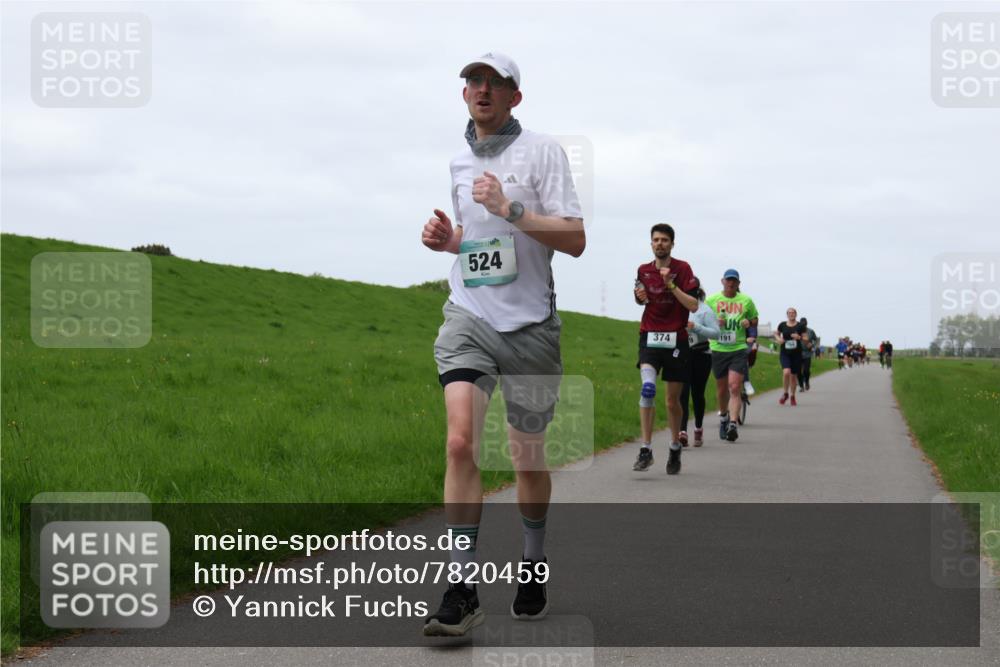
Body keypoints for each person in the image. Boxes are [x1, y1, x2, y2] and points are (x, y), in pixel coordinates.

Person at [421, 52, 586, 636]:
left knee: (526, 460)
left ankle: (533, 565)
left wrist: (510, 208)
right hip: (469, 315)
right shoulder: (458, 160)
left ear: (515, 97)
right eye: (474, 80)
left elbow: (575, 239)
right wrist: (450, 241)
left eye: (495, 82)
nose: (482, 88)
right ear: (464, 93)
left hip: (531, 330)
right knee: (460, 441)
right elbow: (477, 242)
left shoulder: (543, 152)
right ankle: (461, 588)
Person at [632, 224, 699, 472]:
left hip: (676, 339)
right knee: (647, 389)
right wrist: (639, 297)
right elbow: (640, 296)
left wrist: (671, 285)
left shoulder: (683, 269)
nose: (660, 243)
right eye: (656, 240)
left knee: (672, 402)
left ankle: (674, 446)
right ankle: (646, 449)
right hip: (649, 335)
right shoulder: (643, 270)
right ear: (651, 243)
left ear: (672, 244)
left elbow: (693, 305)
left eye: (664, 240)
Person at [706, 269, 759, 442]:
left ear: (738, 283)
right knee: (722, 390)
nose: (731, 283)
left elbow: (755, 319)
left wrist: (748, 322)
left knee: (735, 387)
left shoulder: (746, 300)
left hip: (738, 348)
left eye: (734, 281)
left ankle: (733, 424)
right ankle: (724, 418)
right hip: (718, 348)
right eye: (728, 280)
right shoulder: (712, 300)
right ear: (722, 281)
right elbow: (703, 319)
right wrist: (715, 322)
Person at [678, 278, 720, 447]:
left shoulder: (705, 310)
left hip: (701, 354)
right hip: (683, 354)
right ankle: (682, 431)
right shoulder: (678, 306)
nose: (688, 293)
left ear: (698, 291)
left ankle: (698, 427)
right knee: (682, 393)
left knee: (697, 394)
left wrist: (696, 327)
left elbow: (716, 333)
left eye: (692, 290)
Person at [775, 308, 807, 405]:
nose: (791, 314)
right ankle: (785, 393)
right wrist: (778, 339)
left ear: (796, 314)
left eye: (793, 313)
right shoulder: (782, 325)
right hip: (785, 353)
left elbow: (806, 339)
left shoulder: (800, 326)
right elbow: (776, 333)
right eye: (789, 313)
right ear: (787, 315)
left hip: (796, 354)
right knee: (786, 372)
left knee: (793, 376)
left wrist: (799, 337)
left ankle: (792, 395)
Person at [797, 317, 818, 391]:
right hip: (798, 353)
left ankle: (807, 382)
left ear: (806, 324)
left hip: (807, 353)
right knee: (798, 371)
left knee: (806, 370)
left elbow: (816, 340)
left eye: (804, 324)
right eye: (802, 324)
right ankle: (801, 386)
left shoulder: (811, 331)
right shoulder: (797, 331)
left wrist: (812, 344)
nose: (803, 326)